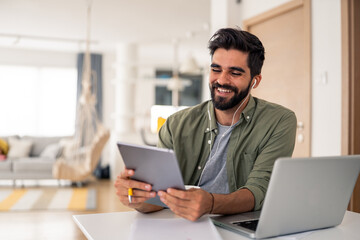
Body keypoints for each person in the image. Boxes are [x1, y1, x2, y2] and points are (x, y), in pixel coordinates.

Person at [114, 27, 297, 221]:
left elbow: (259, 190)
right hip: (183, 227)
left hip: (241, 226)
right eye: (216, 69)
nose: (221, 80)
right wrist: (137, 197)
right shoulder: (175, 124)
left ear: (255, 81)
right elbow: (160, 197)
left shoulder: (279, 121)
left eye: (235, 73)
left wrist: (210, 204)